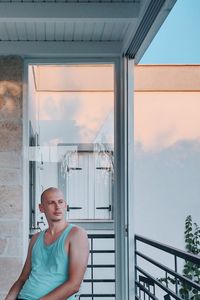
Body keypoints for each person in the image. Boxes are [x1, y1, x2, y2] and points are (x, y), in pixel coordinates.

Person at [5, 187, 89, 300]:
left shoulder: (77, 234)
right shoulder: (35, 238)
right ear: (41, 208)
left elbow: (74, 285)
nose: (57, 206)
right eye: (51, 203)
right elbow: (22, 278)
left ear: (65, 205)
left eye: (60, 202)